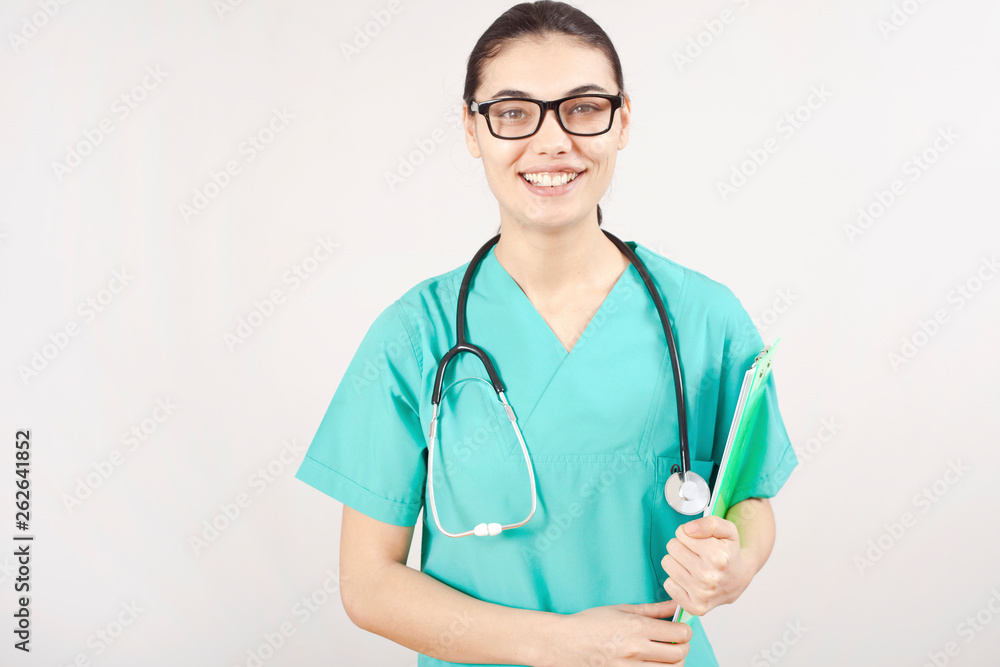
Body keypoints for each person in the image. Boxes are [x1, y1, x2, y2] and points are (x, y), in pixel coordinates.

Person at [294, 2, 798, 665]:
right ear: (472, 131)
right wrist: (558, 643)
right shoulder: (414, 337)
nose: (553, 141)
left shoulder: (705, 318)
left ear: (622, 120)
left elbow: (750, 497)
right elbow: (368, 583)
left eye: (584, 107)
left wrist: (740, 561)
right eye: (512, 112)